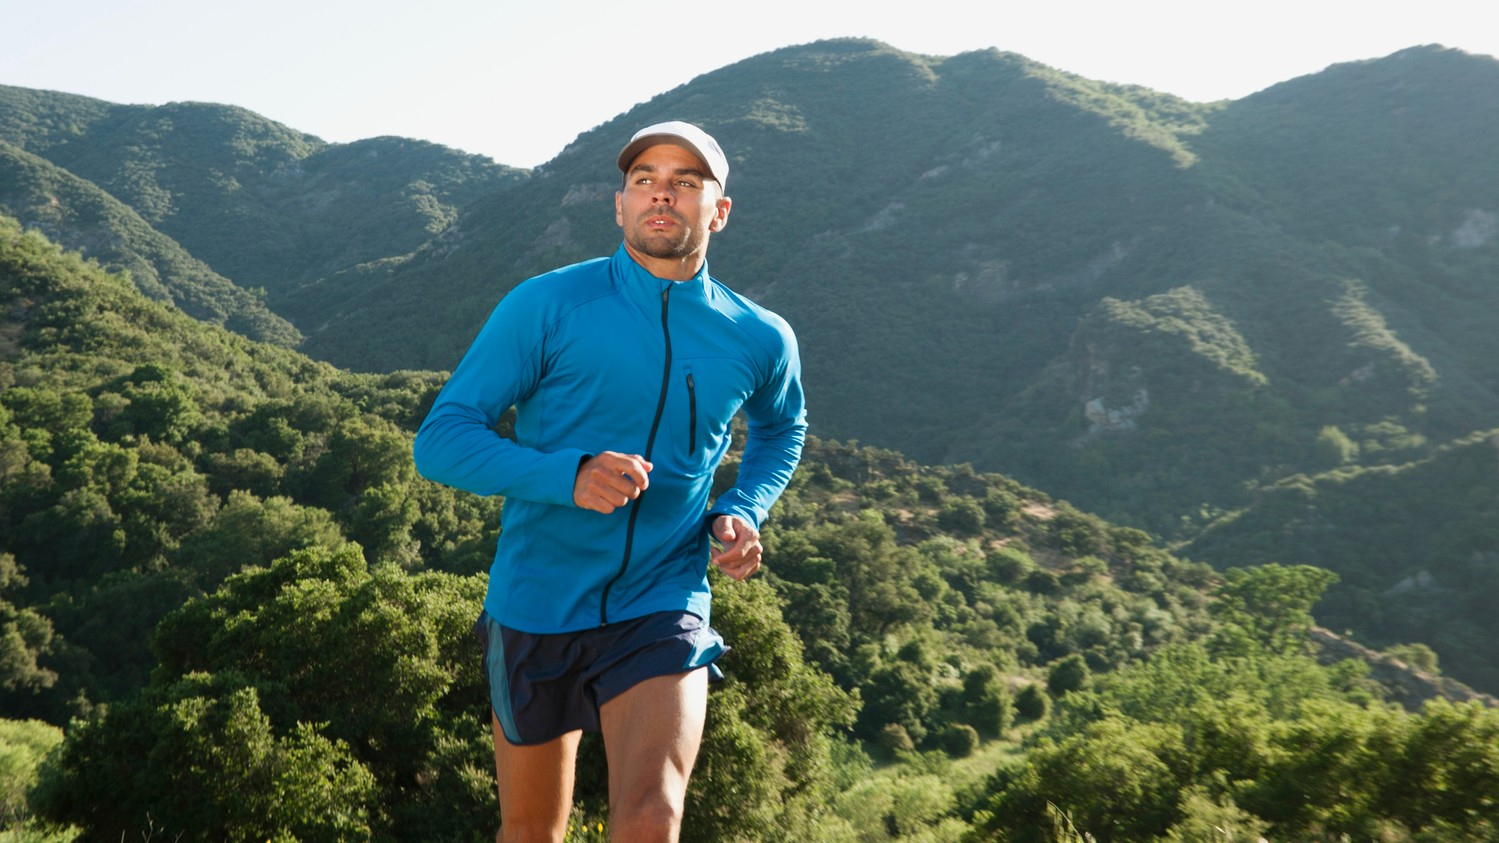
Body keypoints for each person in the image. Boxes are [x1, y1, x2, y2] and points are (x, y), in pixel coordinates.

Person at [412, 120, 807, 843]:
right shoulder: (546, 305)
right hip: (536, 600)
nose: (662, 194)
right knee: (532, 830)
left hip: (662, 598)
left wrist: (744, 507)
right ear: (620, 204)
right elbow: (440, 441)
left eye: (685, 182)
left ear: (719, 211)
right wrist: (566, 476)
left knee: (652, 815)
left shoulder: (759, 335)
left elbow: (783, 429)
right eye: (644, 180)